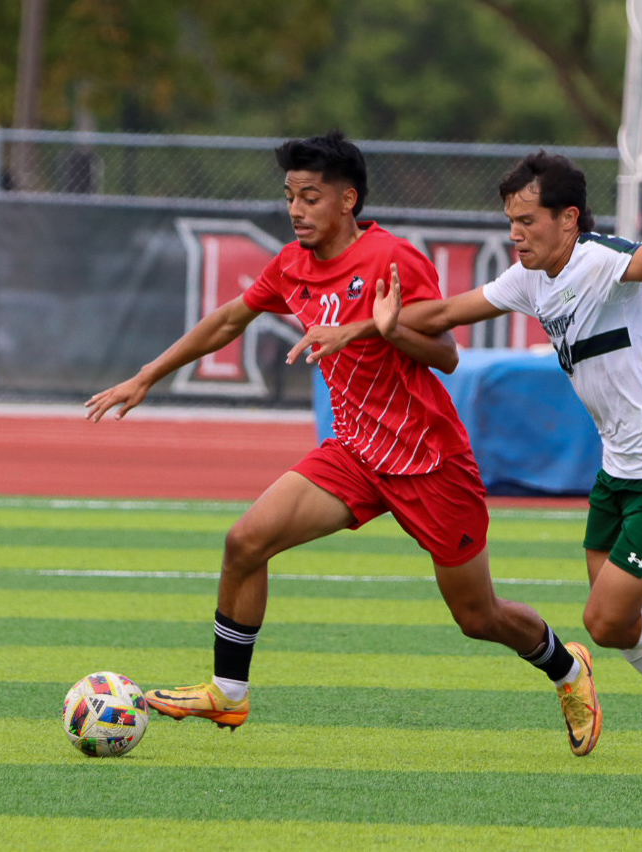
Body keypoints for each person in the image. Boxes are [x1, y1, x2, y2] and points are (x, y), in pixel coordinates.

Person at [84, 132, 601, 757]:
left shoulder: (393, 259)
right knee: (245, 541)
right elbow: (227, 320)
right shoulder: (291, 265)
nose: (296, 210)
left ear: (347, 199)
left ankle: (566, 668)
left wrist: (379, 332)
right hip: (353, 452)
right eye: (289, 196)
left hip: (428, 460)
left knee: (478, 616)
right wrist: (146, 378)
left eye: (310, 197)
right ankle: (228, 690)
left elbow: (446, 353)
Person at [306, 150, 642, 765]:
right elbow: (442, 315)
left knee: (605, 623)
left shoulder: (599, 260)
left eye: (527, 220)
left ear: (568, 218)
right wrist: (364, 327)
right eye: (509, 221)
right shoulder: (528, 279)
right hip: (621, 467)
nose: (514, 234)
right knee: (624, 618)